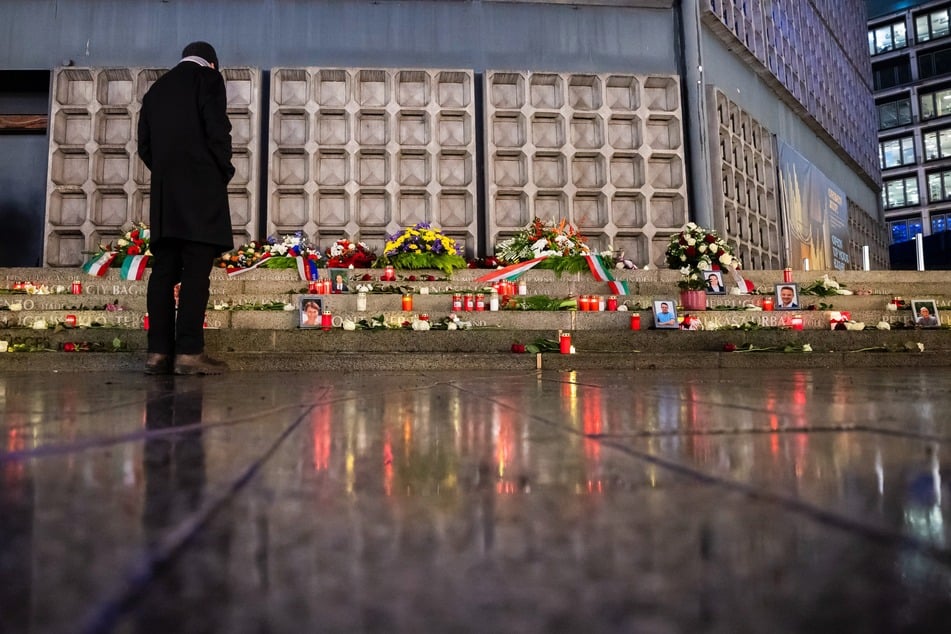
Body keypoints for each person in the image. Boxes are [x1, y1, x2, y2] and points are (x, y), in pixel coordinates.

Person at [138, 41, 234, 375]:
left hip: (166, 196)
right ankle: (190, 353)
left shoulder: (156, 90)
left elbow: (145, 146)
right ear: (212, 63)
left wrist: (168, 173)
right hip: (201, 189)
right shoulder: (208, 79)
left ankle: (158, 353)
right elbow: (217, 129)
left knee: (163, 272)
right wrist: (221, 170)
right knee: (196, 271)